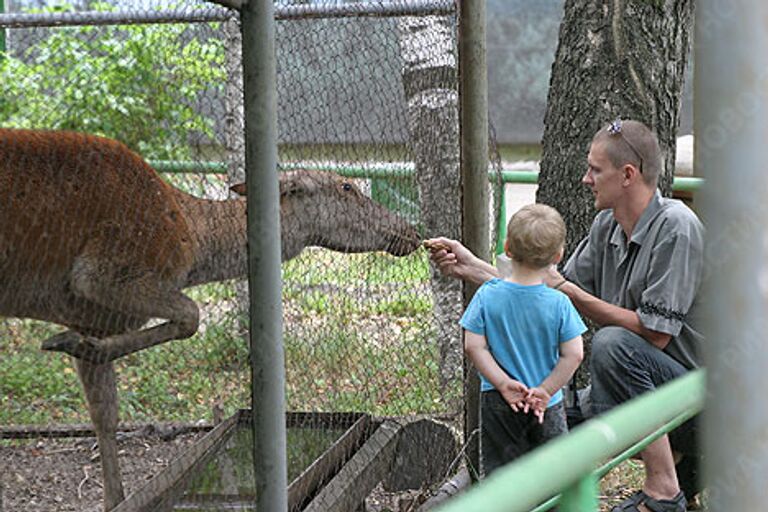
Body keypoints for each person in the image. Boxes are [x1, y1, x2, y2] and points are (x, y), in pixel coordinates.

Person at [426, 119, 704, 512]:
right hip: (649, 396)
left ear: (627, 175)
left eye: (595, 169)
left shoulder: (677, 228)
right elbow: (544, 291)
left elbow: (654, 335)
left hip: (700, 407)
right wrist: (471, 267)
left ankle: (664, 489)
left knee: (612, 344)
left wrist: (572, 293)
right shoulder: (606, 224)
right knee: (540, 410)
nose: (585, 178)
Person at [458, 204, 586, 476]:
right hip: (546, 405)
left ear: (507, 248)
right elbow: (574, 354)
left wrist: (503, 383)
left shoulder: (486, 295)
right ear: (558, 255)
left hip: (499, 400)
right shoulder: (560, 303)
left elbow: (473, 345)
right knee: (556, 476)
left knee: (501, 478)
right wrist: (546, 390)